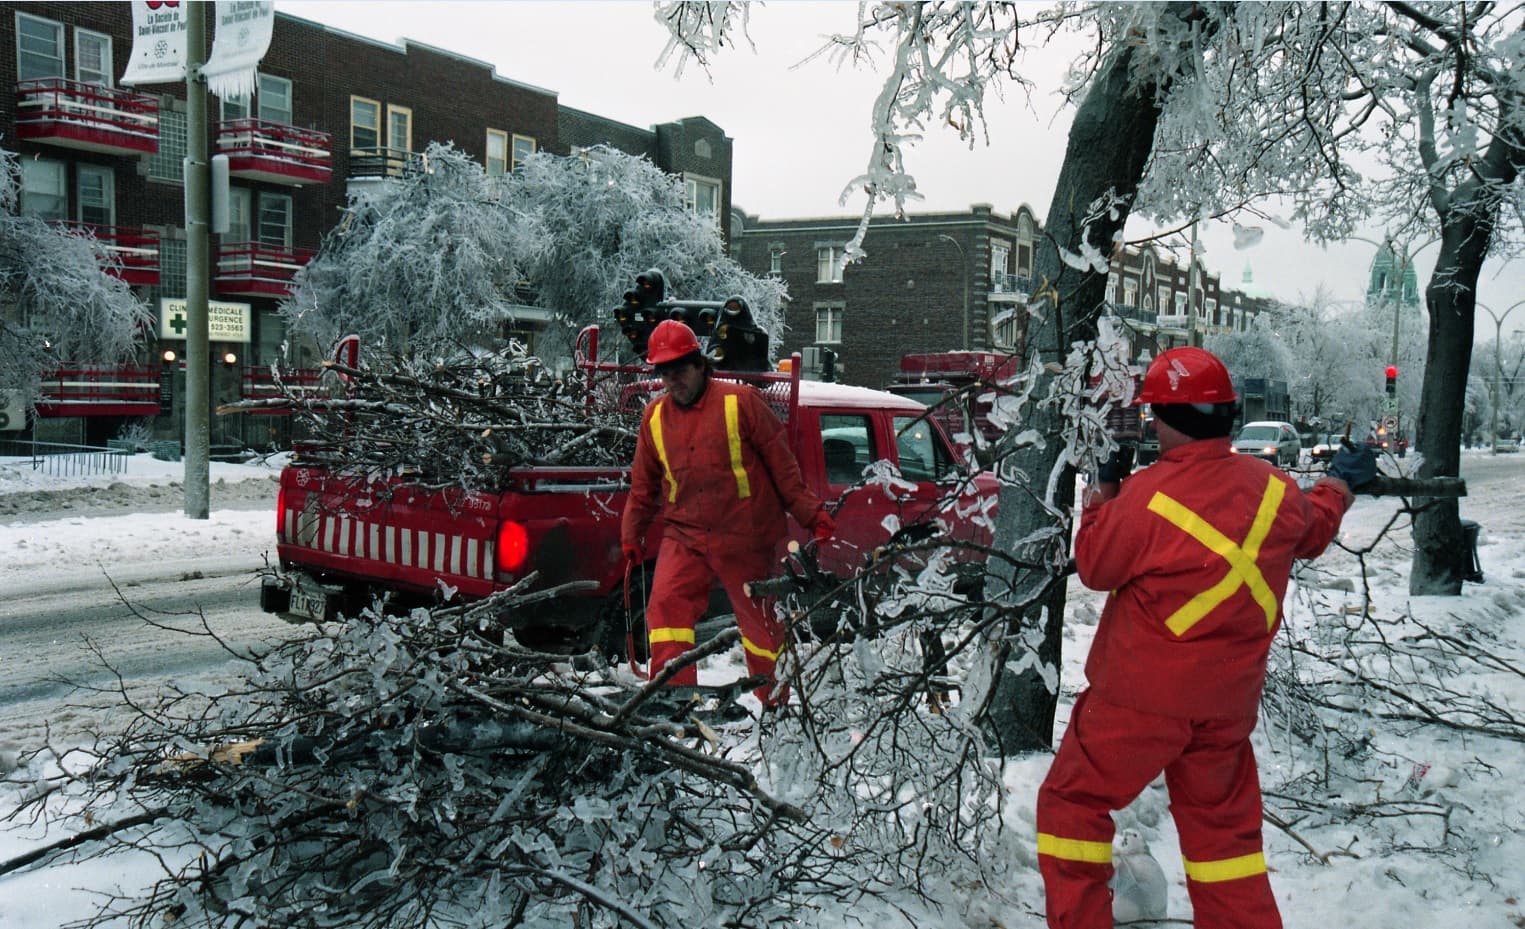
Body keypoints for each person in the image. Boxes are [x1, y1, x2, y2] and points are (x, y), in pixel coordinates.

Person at [1036, 346, 1377, 929]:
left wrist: (1104, 487)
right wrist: (1339, 485)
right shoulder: (1273, 491)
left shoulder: (1143, 499)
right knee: (1226, 845)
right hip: (1225, 709)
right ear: (1227, 414)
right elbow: (1314, 528)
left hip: (1137, 703)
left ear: (1162, 418)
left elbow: (1094, 566)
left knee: (1074, 806)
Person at [620, 319, 836, 706]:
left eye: (680, 369)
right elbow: (642, 486)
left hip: (745, 536)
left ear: (699, 363)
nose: (673, 380)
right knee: (665, 608)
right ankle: (675, 701)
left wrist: (812, 515)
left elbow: (783, 468)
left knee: (760, 625)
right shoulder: (653, 417)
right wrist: (630, 536)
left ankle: (776, 702)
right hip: (684, 535)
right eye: (664, 372)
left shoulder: (742, 403)